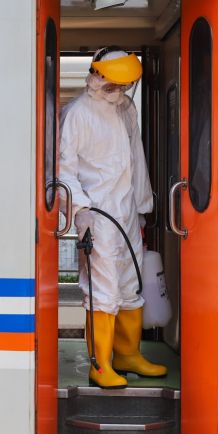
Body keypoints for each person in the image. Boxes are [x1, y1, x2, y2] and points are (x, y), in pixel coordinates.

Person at [59, 47, 166, 389]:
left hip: (127, 212)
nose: (116, 90)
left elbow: (137, 159)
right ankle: (100, 364)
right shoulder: (77, 114)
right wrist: (81, 210)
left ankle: (128, 354)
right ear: (96, 75)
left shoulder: (126, 109)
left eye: (123, 84)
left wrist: (142, 205)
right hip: (97, 215)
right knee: (103, 290)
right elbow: (63, 169)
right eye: (112, 83)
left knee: (129, 284)